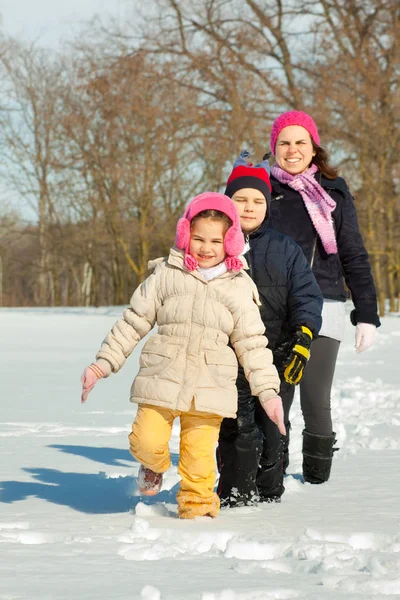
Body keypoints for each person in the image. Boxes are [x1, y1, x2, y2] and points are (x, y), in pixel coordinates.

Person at [80, 192, 285, 520]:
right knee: (146, 439)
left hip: (210, 386)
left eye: (215, 240)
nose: (206, 247)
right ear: (185, 235)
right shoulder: (165, 275)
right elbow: (134, 322)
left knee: (199, 459)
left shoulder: (238, 286)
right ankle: (154, 466)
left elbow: (252, 343)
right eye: (198, 238)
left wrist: (268, 393)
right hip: (162, 377)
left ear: (230, 241)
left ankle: (199, 513)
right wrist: (102, 364)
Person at [266, 110, 380, 484]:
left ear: (314, 148)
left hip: (324, 305)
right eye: (284, 142)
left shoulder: (334, 192)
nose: (292, 149)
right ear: (274, 148)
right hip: (272, 308)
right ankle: (272, 471)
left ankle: (317, 483)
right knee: (274, 396)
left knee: (315, 397)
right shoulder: (262, 190)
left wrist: (366, 312)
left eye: (300, 142)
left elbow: (353, 254)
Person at [217, 154, 323, 507]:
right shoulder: (212, 247)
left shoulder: (285, 248)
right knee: (235, 426)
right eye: (241, 199)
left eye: (257, 201)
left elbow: (307, 297)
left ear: (267, 205)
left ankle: (269, 491)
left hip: (278, 355)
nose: (249, 207)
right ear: (227, 202)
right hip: (228, 357)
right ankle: (235, 491)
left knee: (273, 425)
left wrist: (303, 339)